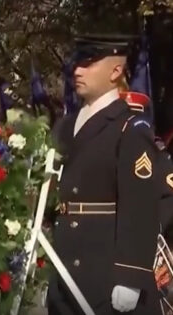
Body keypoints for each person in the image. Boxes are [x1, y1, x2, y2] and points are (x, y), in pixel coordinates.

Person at [49, 35, 161, 314]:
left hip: (105, 273)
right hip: (65, 270)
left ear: (116, 71)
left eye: (88, 63)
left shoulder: (130, 127)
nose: (77, 71)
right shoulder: (64, 127)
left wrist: (131, 275)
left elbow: (140, 205)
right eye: (77, 63)